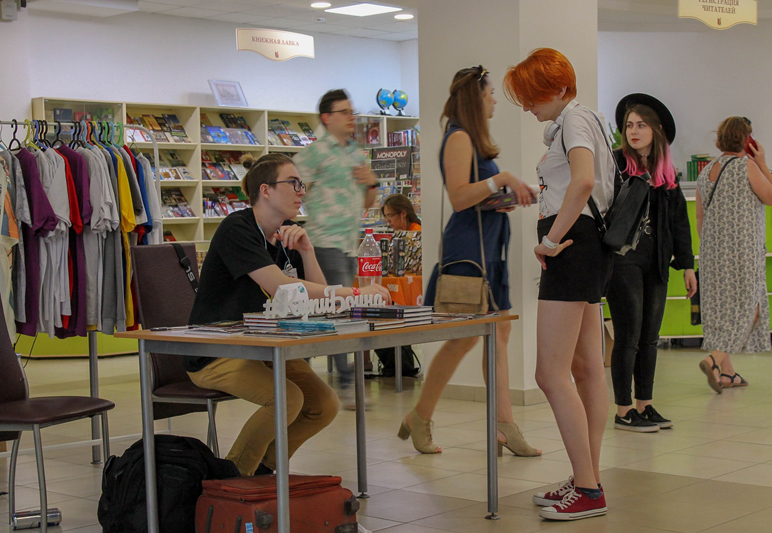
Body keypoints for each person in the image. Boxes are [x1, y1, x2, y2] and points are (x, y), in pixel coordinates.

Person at [185, 153, 390, 477]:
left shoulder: (288, 234)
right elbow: (281, 286)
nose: (301, 191)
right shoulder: (237, 228)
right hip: (217, 352)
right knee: (287, 399)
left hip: (263, 348)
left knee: (324, 405)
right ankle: (232, 480)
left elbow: (320, 299)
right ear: (265, 190)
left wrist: (307, 251)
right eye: (293, 183)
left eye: (302, 184)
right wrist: (356, 293)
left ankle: (266, 471)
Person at [398, 65, 540, 457]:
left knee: (495, 335)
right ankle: (428, 417)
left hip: (487, 247)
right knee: (467, 338)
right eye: (490, 93)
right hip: (468, 252)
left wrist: (500, 200)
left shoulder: (471, 139)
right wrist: (503, 179)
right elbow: (460, 197)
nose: (495, 100)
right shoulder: (458, 137)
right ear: (476, 97)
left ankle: (499, 424)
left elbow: (474, 197)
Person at [504, 48, 614, 521]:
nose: (528, 106)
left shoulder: (574, 120)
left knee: (550, 374)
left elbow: (583, 182)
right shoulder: (586, 119)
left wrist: (550, 240)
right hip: (588, 246)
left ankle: (588, 488)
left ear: (560, 89)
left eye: (533, 96)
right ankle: (587, 477)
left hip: (573, 245)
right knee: (587, 368)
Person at [607, 94, 697, 433]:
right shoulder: (615, 164)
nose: (633, 131)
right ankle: (623, 409)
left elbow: (679, 222)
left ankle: (644, 404)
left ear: (656, 130)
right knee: (628, 335)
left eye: (641, 125)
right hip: (623, 260)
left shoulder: (665, 172)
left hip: (656, 261)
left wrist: (687, 266)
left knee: (650, 337)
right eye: (629, 125)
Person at [293, 89, 380, 406]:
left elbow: (368, 202)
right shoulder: (314, 154)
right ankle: (344, 382)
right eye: (344, 112)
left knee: (326, 311)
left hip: (347, 244)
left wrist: (371, 181)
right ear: (327, 118)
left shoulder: (356, 153)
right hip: (323, 242)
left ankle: (302, 375)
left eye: (352, 111)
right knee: (340, 309)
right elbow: (293, 189)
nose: (351, 117)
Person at [696, 117, 772, 392]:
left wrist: (712, 247)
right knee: (750, 308)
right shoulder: (746, 167)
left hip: (711, 251)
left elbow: (700, 217)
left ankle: (727, 373)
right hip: (742, 250)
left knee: (720, 311)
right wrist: (762, 163)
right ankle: (714, 359)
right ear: (747, 140)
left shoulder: (706, 171)